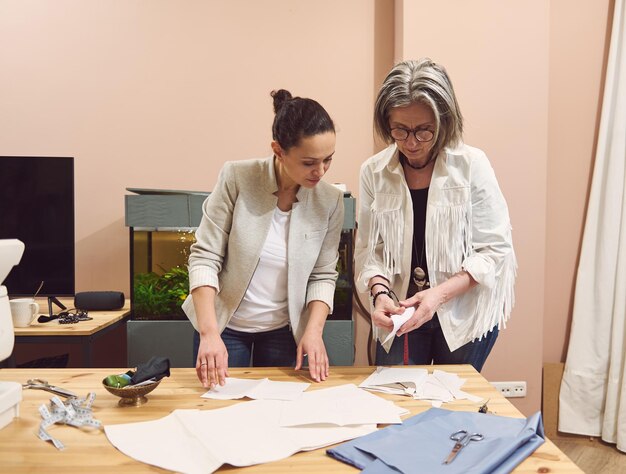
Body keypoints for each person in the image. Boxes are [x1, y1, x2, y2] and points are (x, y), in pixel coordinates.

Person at [354, 59, 516, 371]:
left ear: (444, 121)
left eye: (424, 131)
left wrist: (437, 296)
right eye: (399, 130)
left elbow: (494, 250)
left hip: (462, 310)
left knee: (451, 405)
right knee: (397, 400)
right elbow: (369, 251)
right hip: (402, 307)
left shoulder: (471, 165)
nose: (411, 143)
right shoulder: (374, 172)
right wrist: (380, 293)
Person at [182, 89, 344, 388]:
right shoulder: (238, 177)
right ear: (279, 150)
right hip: (224, 328)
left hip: (284, 331)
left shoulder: (330, 200)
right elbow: (205, 257)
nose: (320, 171)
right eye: (309, 162)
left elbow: (323, 274)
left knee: (277, 418)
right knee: (220, 415)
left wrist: (314, 331)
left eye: (328, 160)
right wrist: (209, 334)